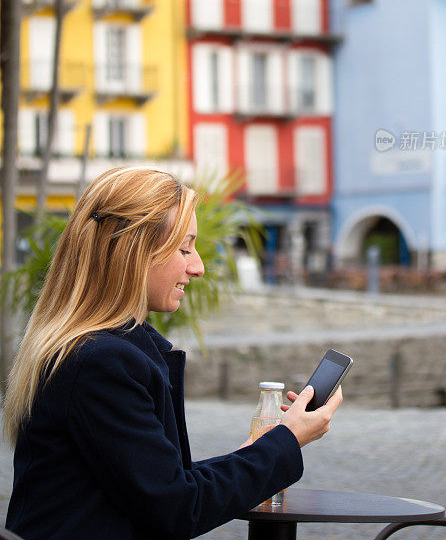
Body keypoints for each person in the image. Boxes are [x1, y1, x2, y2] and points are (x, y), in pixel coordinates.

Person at [4, 166, 342, 540]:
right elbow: (177, 508)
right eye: (183, 247)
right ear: (131, 251)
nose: (197, 267)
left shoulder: (88, 349)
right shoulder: (102, 363)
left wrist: (255, 453)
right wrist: (288, 440)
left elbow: (157, 484)